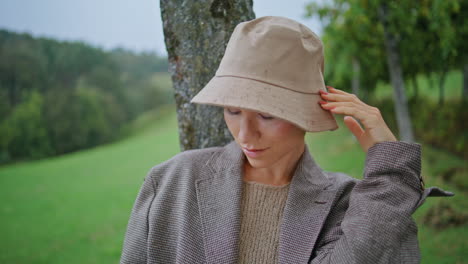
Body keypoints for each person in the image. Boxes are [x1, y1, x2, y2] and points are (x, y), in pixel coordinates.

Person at [120, 16, 452, 264]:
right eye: (233, 110)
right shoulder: (170, 181)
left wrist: (391, 175)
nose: (245, 135)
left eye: (267, 115)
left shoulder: (348, 203)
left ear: (307, 114)